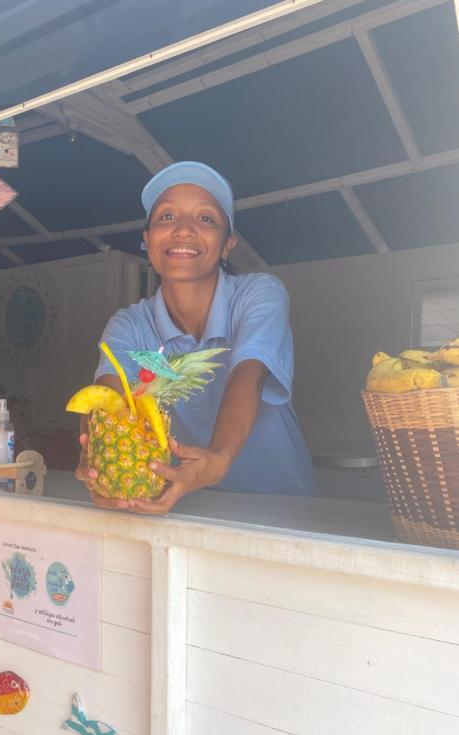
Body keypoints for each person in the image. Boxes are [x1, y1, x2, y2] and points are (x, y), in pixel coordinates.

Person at [76, 160, 315, 514]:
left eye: (205, 219)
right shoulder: (129, 325)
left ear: (228, 243)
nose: (183, 230)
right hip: (188, 510)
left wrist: (218, 458)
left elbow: (248, 372)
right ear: (147, 239)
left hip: (281, 508)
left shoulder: (258, 294)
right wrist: (96, 458)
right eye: (167, 217)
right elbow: (108, 400)